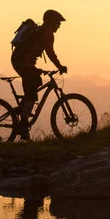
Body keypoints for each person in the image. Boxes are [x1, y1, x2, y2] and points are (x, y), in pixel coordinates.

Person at [11, 9, 68, 138]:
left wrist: (37, 69)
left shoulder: (41, 31)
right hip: (22, 62)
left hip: (21, 61)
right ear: (52, 22)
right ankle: (23, 124)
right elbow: (50, 53)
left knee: (35, 83)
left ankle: (22, 110)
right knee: (32, 95)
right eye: (58, 23)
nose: (59, 25)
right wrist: (60, 66)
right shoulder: (47, 33)